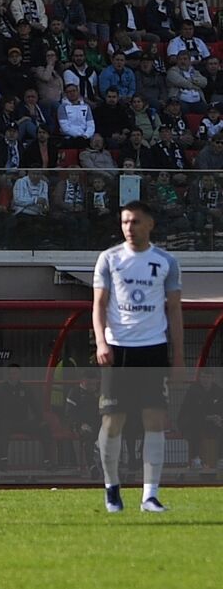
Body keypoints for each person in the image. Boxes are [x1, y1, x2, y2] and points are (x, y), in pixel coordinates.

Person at [92, 200, 184, 514]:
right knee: (113, 421)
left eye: (135, 222)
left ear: (150, 224)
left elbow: (174, 309)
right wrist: (102, 343)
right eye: (125, 222)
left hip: (154, 348)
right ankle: (111, 488)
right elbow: (99, 305)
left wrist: (179, 356)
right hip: (118, 350)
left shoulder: (166, 261)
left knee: (154, 421)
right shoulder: (109, 259)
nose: (129, 228)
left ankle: (150, 495)